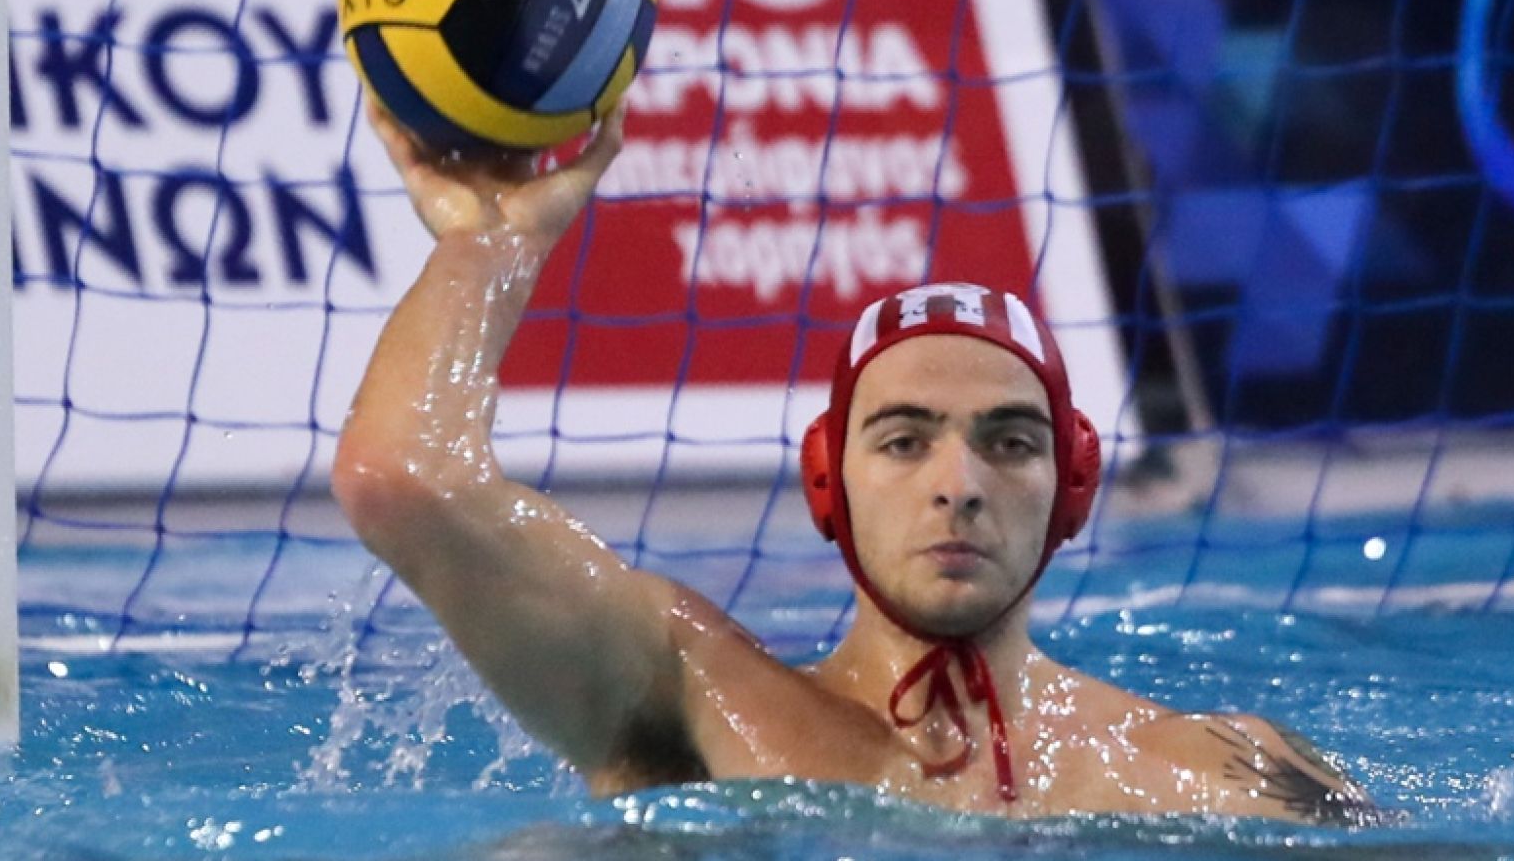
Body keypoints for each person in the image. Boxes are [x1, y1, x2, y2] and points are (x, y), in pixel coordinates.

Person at [333, 104, 1375, 821]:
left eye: (1010, 442)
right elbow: (403, 481)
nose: (957, 485)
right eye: (904, 440)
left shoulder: (1226, 768)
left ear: (1073, 487)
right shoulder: (691, 695)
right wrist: (489, 245)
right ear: (828, 480)